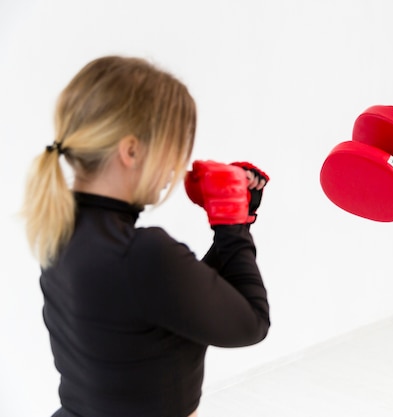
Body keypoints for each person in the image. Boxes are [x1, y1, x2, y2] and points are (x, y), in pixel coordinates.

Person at [21, 56, 271, 417]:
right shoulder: (142, 254)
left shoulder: (59, 229)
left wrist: (232, 228)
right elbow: (251, 322)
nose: (175, 166)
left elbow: (178, 298)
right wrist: (232, 225)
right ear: (132, 150)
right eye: (173, 147)